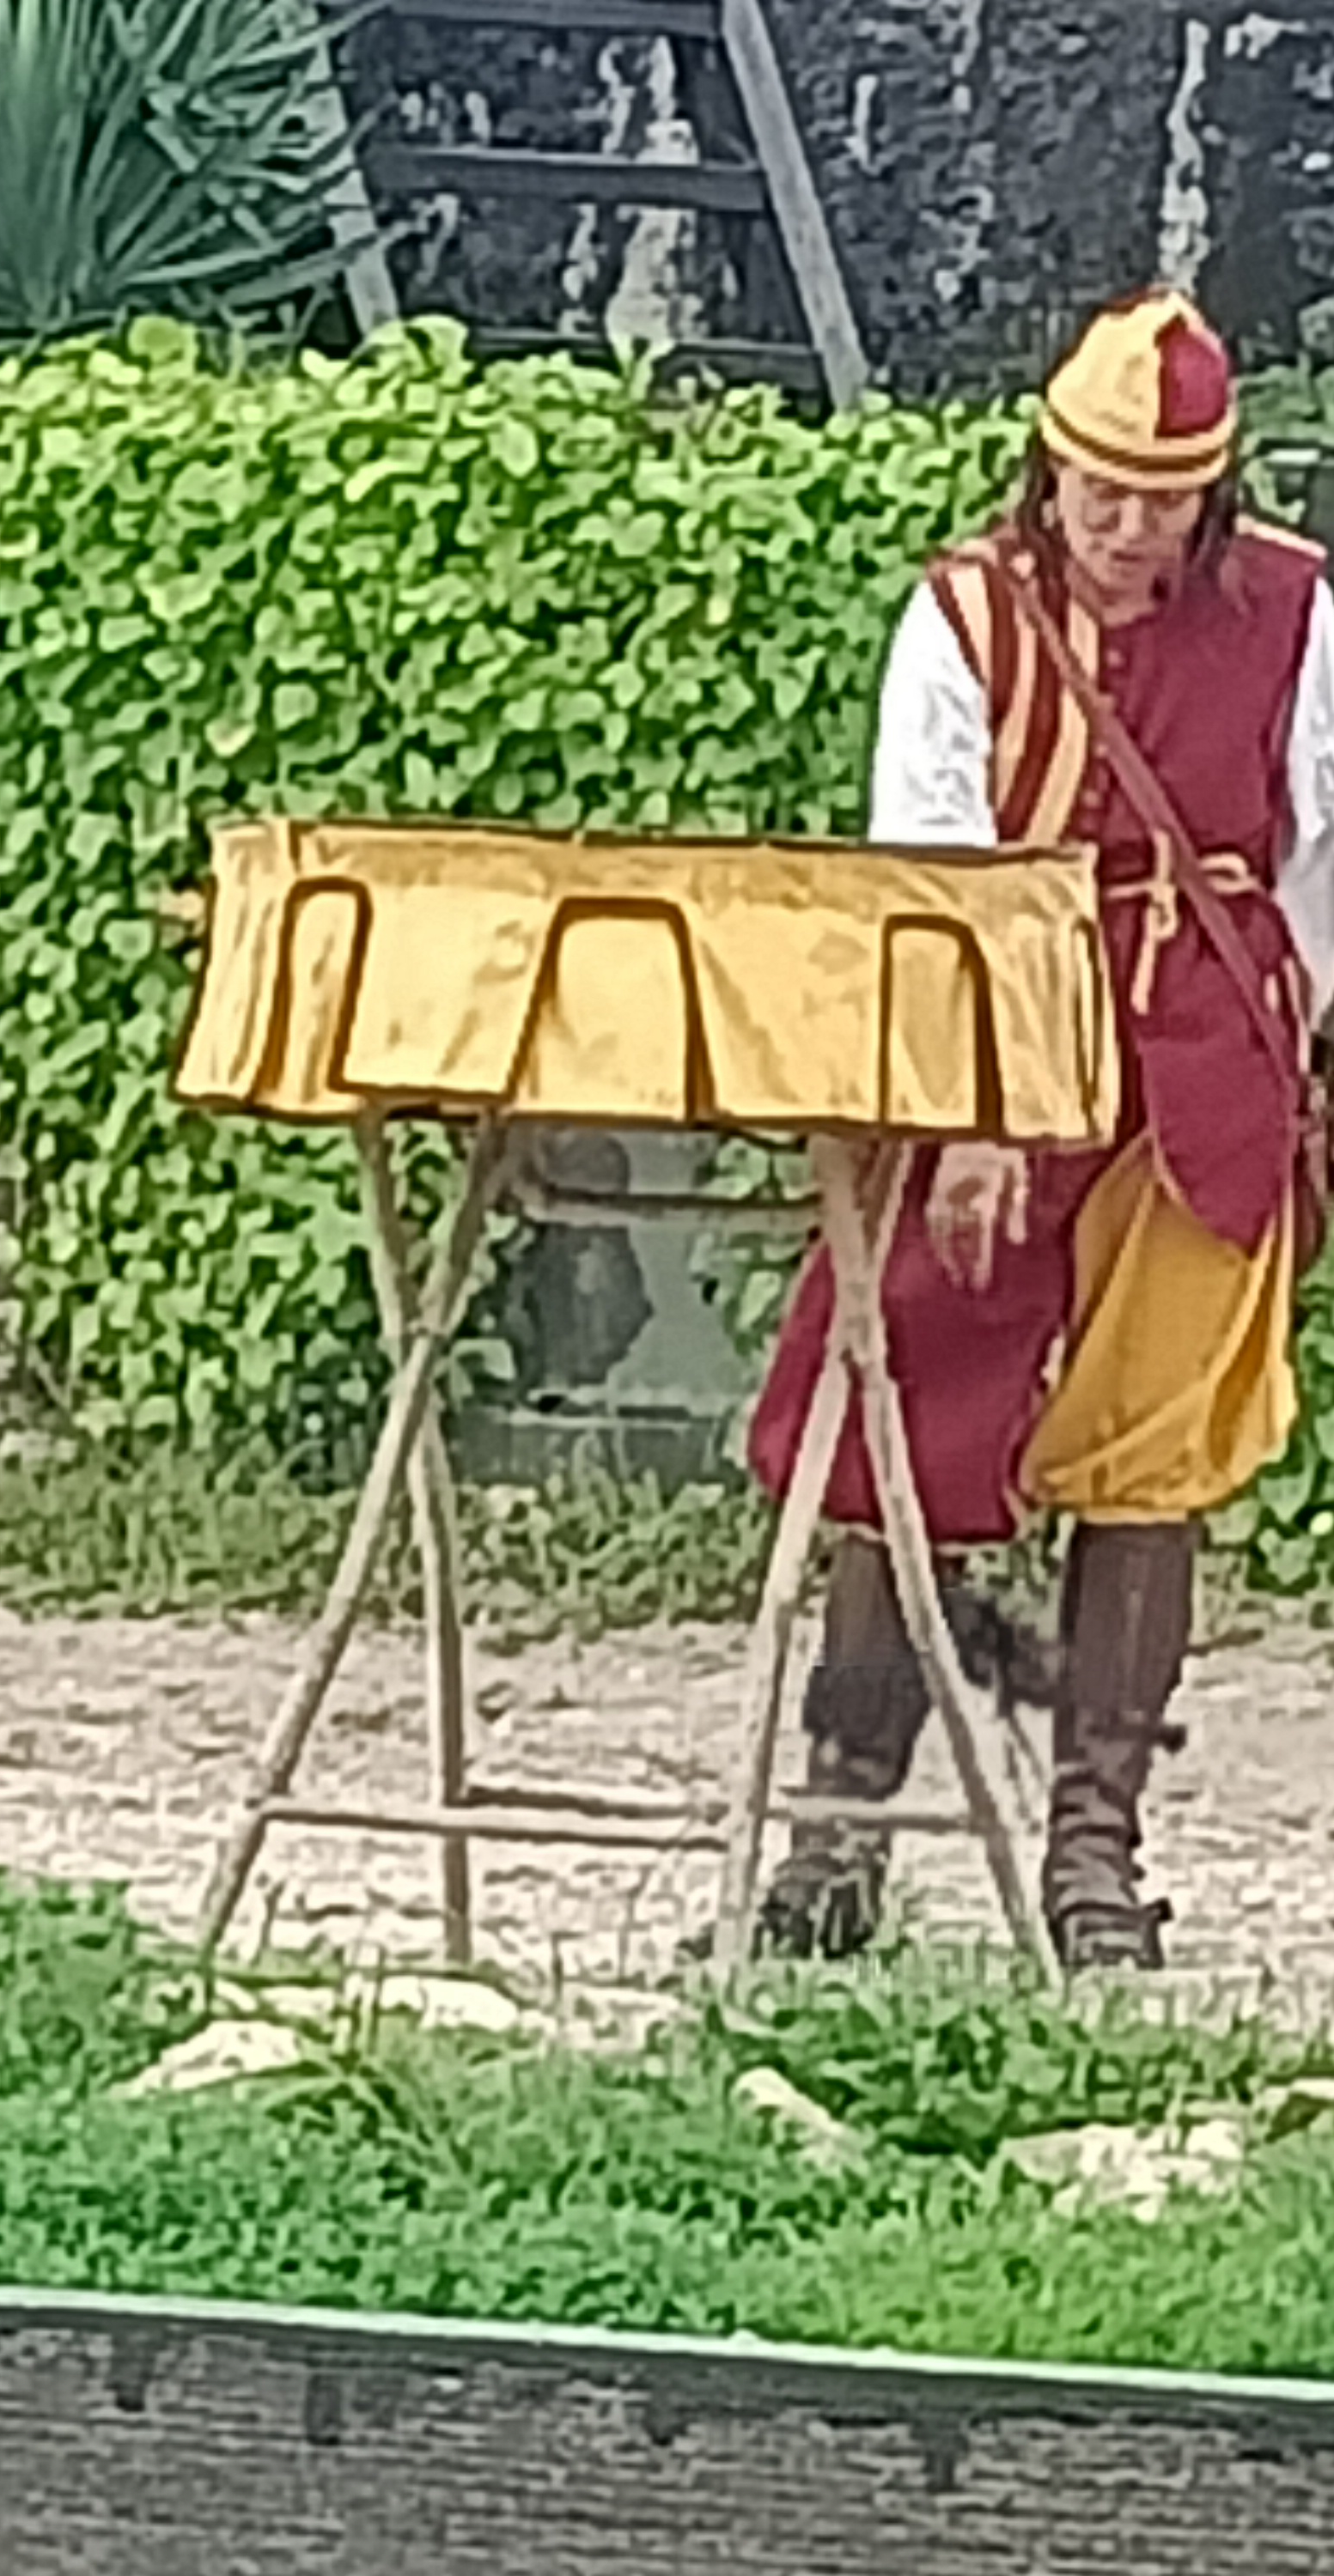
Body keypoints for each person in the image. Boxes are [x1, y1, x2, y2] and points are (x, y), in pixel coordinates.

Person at [741, 286, 1334, 1971]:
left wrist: (1285, 1052)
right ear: (1048, 466)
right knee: (899, 1429)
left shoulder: (1299, 612)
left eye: (1161, 498)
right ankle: (838, 1841)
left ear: (1211, 493)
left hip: (1200, 1078)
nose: (1125, 526)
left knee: (1152, 1463)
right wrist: (975, 1110)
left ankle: (1094, 1861)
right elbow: (930, 875)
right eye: (1099, 489)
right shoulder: (964, 618)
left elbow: (1317, 863)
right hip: (989, 1070)